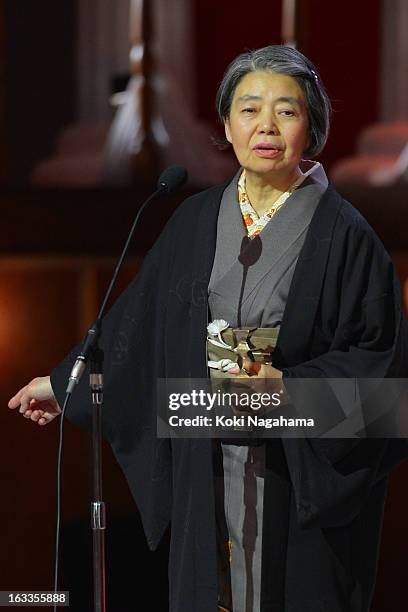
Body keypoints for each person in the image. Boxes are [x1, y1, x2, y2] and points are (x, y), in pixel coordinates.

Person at [8, 45, 408, 612]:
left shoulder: (346, 237)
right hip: (207, 469)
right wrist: (66, 379)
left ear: (311, 126)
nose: (265, 125)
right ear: (225, 123)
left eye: (286, 111)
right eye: (249, 109)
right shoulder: (195, 221)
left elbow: (385, 382)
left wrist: (290, 390)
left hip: (297, 487)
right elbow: (137, 331)